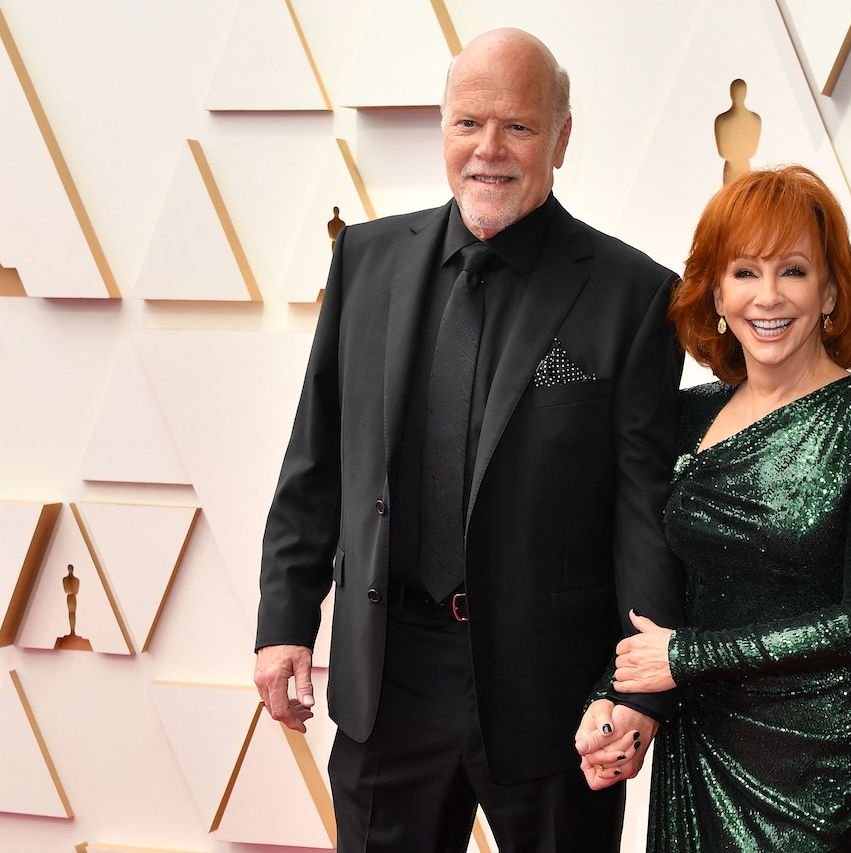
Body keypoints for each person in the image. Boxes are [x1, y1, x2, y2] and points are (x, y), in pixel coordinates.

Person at [253, 28, 683, 852]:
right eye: (467, 124)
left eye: (518, 127)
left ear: (560, 137)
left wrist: (638, 689)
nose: (489, 150)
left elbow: (643, 512)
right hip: (390, 678)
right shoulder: (366, 260)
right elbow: (316, 458)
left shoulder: (634, 296)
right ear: (443, 129)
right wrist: (284, 621)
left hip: (555, 696)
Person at [612, 165, 851, 851]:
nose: (768, 296)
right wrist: (612, 699)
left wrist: (686, 656)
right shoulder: (683, 417)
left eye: (793, 270)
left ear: (828, 292)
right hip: (698, 733)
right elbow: (659, 584)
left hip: (813, 752)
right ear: (717, 293)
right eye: (744, 272)